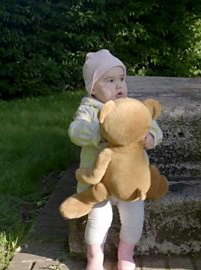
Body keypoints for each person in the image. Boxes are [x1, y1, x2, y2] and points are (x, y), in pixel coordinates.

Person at [68, 49, 163, 270]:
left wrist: (151, 137)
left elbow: (152, 125)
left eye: (121, 79)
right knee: (99, 219)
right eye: (109, 81)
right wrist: (99, 133)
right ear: (93, 88)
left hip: (129, 182)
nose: (119, 86)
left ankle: (126, 254)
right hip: (100, 184)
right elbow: (75, 131)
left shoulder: (131, 107)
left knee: (134, 216)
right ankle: (94, 256)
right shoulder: (89, 109)